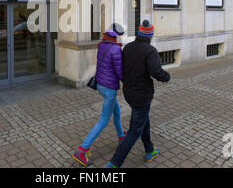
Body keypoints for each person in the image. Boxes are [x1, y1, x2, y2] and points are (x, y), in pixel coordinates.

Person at [106, 20, 170, 168]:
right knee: (134, 131)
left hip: (129, 92)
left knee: (143, 120)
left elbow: (122, 68)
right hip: (141, 95)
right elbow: (156, 71)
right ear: (150, 35)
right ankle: (114, 163)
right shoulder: (150, 51)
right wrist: (166, 77)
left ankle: (149, 150)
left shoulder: (128, 47)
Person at [72, 23, 126, 167]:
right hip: (110, 88)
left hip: (101, 85)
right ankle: (82, 150)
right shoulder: (115, 49)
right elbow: (120, 72)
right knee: (103, 121)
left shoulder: (102, 44)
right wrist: (128, 82)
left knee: (117, 111)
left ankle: (121, 136)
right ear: (115, 36)